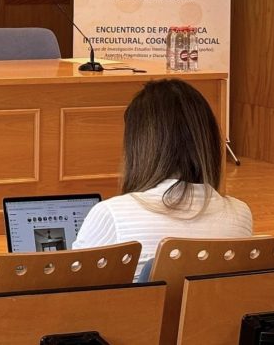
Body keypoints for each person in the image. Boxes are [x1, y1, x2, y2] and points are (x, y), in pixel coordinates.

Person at [73, 78, 252, 276]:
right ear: (207, 141)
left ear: (139, 147)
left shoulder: (111, 214)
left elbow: (72, 285)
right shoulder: (240, 215)